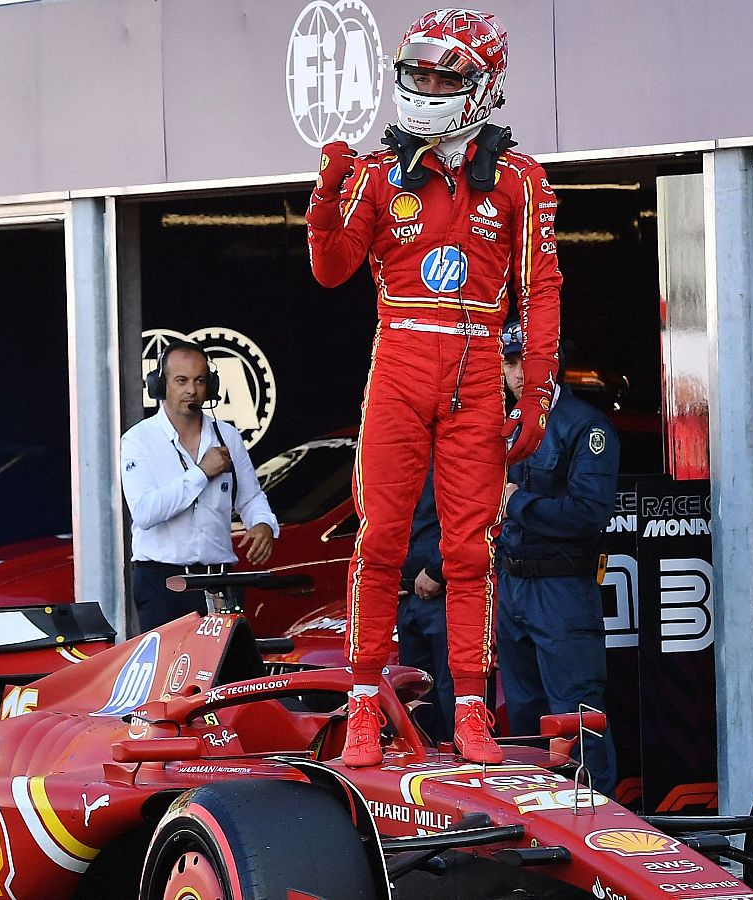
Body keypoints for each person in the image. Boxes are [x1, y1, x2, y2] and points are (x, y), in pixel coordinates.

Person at [306, 8, 562, 767]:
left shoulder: (519, 178)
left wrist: (537, 389)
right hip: (399, 368)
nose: (424, 86)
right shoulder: (381, 172)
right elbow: (332, 268)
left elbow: (541, 288)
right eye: (416, 72)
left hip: (479, 370)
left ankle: (473, 711)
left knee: (469, 551)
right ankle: (361, 708)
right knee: (380, 540)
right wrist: (325, 195)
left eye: (442, 75)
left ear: (482, 87)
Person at [496, 321, 619, 794]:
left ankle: (608, 840)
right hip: (512, 587)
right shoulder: (501, 428)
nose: (518, 372)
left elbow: (589, 515)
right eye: (510, 362)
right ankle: (533, 838)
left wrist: (515, 502)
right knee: (523, 722)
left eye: (527, 359)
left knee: (578, 720)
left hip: (562, 589)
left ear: (554, 362)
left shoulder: (587, 427)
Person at [120, 341, 278, 630]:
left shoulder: (227, 436)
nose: (191, 390)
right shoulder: (138, 440)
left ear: (211, 385)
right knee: (168, 673)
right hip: (162, 583)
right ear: (160, 384)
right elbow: (144, 512)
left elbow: (251, 496)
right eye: (181, 381)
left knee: (226, 672)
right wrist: (202, 473)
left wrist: (263, 523)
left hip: (221, 582)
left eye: (199, 380)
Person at [398, 469, 454, 743]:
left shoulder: (451, 444)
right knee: (417, 697)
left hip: (447, 593)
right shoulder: (399, 452)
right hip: (406, 593)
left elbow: (469, 516)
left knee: (453, 696)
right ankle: (428, 776)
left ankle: (467, 777)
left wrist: (438, 568)